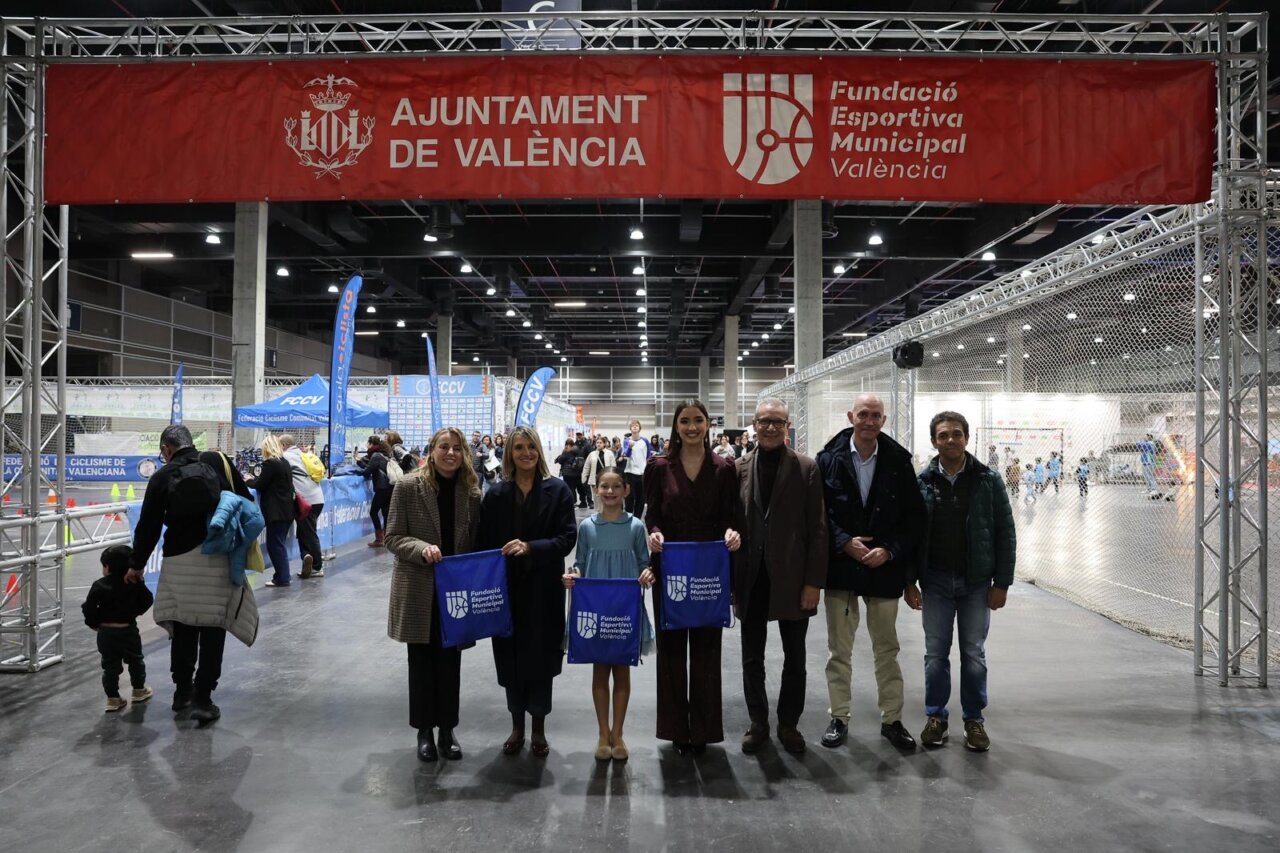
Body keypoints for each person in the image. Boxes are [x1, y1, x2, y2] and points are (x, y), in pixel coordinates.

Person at [815, 393, 925, 752]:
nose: (869, 421)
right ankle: (839, 717)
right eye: (863, 414)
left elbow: (914, 517)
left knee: (887, 649)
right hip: (842, 568)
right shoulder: (827, 460)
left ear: (884, 420)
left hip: (884, 569)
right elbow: (818, 513)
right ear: (851, 417)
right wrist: (843, 542)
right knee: (839, 651)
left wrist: (890, 551)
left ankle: (892, 720)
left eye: (876, 415)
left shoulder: (898, 462)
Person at [126, 424, 258, 724]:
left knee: (183, 627)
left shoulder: (162, 477)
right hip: (217, 558)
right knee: (214, 627)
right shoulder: (216, 464)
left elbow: (148, 525)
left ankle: (182, 692)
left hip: (178, 560)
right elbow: (245, 501)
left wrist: (137, 564)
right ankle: (204, 698)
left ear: (166, 449)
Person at [905, 411, 1016, 753]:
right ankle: (936, 717)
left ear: (967, 438)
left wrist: (1002, 583)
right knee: (935, 654)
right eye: (943, 435)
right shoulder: (922, 482)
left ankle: (974, 720)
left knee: (973, 654)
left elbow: (1005, 533)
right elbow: (911, 536)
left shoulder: (988, 480)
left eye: (956, 433)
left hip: (976, 583)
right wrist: (909, 582)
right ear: (934, 441)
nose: (950, 440)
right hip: (935, 582)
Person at [644, 399, 742, 754]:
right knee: (670, 651)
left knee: (706, 651)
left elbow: (731, 516)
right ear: (676, 426)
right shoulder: (659, 468)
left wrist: (731, 533)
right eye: (684, 421)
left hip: (708, 572)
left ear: (707, 425)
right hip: (670, 569)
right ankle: (675, 729)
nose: (691, 427)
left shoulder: (723, 468)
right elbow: (652, 514)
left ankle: (703, 730)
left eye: (698, 420)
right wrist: (654, 533)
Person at [478, 426, 577, 758]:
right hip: (506, 590)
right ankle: (516, 726)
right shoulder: (495, 495)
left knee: (542, 661)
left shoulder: (558, 491)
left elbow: (567, 538)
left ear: (539, 451)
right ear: (510, 453)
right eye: (519, 447)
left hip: (544, 590)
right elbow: (484, 542)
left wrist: (531, 547)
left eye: (531, 447)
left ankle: (538, 729)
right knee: (510, 661)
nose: (526, 453)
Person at [385, 427, 482, 763]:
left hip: (455, 591)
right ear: (432, 450)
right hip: (419, 587)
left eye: (457, 448)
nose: (450, 453)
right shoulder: (407, 486)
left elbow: (477, 540)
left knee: (450, 663)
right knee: (421, 663)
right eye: (444, 447)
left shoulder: (471, 492)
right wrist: (422, 548)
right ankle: (424, 731)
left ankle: (447, 730)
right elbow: (393, 537)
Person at [736, 399, 826, 754]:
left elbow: (818, 529)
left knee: (795, 658)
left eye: (778, 422)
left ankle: (789, 724)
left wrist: (813, 582)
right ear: (754, 425)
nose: (770, 427)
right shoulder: (739, 467)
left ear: (788, 427)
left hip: (792, 578)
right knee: (751, 657)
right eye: (764, 421)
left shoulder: (806, 468)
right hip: (751, 577)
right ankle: (758, 722)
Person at [562, 470, 654, 762]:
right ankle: (603, 733)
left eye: (616, 486)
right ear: (596, 489)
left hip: (624, 610)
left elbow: (644, 562)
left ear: (626, 490)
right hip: (596, 608)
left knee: (622, 671)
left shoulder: (636, 526)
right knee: (600, 670)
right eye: (605, 486)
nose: (610, 491)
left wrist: (646, 574)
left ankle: (618, 733)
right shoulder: (587, 527)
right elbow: (579, 563)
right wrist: (574, 575)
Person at [83, 543, 154, 712]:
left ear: (107, 567)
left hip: (106, 632)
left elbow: (88, 607)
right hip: (128, 630)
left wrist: (94, 623)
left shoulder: (99, 585)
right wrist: (134, 611)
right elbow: (147, 600)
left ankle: (113, 698)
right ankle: (138, 690)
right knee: (135, 660)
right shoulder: (133, 583)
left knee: (109, 666)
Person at [247, 434, 296, 588]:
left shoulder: (270, 464)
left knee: (275, 545)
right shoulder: (284, 462)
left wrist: (249, 480)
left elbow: (260, 484)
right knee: (279, 544)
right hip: (287, 509)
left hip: (276, 511)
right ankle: (283, 575)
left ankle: (282, 577)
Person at [279, 434, 325, 579]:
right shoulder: (303, 454)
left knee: (309, 533)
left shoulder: (286, 456)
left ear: (284, 445)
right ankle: (306, 558)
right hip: (317, 498)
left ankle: (317, 566)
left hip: (306, 500)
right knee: (304, 531)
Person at [359, 434, 393, 547]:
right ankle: (387, 538)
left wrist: (359, 465)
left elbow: (367, 471)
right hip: (389, 487)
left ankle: (379, 539)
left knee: (373, 512)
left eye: (368, 443)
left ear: (371, 444)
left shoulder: (375, 455)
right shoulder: (384, 454)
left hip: (382, 488)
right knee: (385, 512)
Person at [621, 419, 650, 518]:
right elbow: (626, 455)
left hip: (642, 473)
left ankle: (637, 518)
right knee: (629, 497)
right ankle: (628, 517)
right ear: (630, 428)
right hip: (630, 473)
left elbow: (648, 456)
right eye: (632, 425)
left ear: (639, 428)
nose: (634, 426)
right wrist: (630, 447)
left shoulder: (645, 441)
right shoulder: (627, 440)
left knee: (641, 498)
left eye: (636, 425)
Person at [555, 439, 584, 507]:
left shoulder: (566, 451)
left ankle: (572, 502)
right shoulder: (577, 450)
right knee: (575, 488)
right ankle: (578, 502)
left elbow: (561, 460)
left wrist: (560, 457)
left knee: (570, 488)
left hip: (568, 472)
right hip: (576, 472)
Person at [470, 431, 493, 495]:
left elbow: (487, 455)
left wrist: (481, 454)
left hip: (479, 472)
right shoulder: (469, 445)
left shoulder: (482, 445)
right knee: (469, 490)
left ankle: (478, 501)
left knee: (478, 490)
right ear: (472, 436)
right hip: (470, 472)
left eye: (478, 436)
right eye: (475, 435)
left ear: (480, 437)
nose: (476, 437)